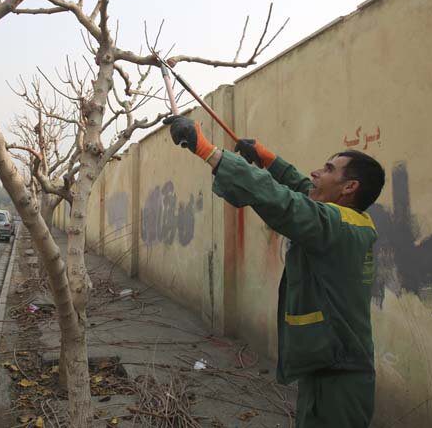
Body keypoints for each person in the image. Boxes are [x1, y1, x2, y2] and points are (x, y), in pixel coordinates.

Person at [163, 114, 385, 428]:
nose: (316, 173)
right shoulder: (350, 218)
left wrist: (209, 152)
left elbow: (287, 204)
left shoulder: (337, 227)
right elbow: (303, 189)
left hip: (340, 377)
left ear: (349, 186)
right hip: (327, 364)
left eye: (328, 170)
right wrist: (269, 160)